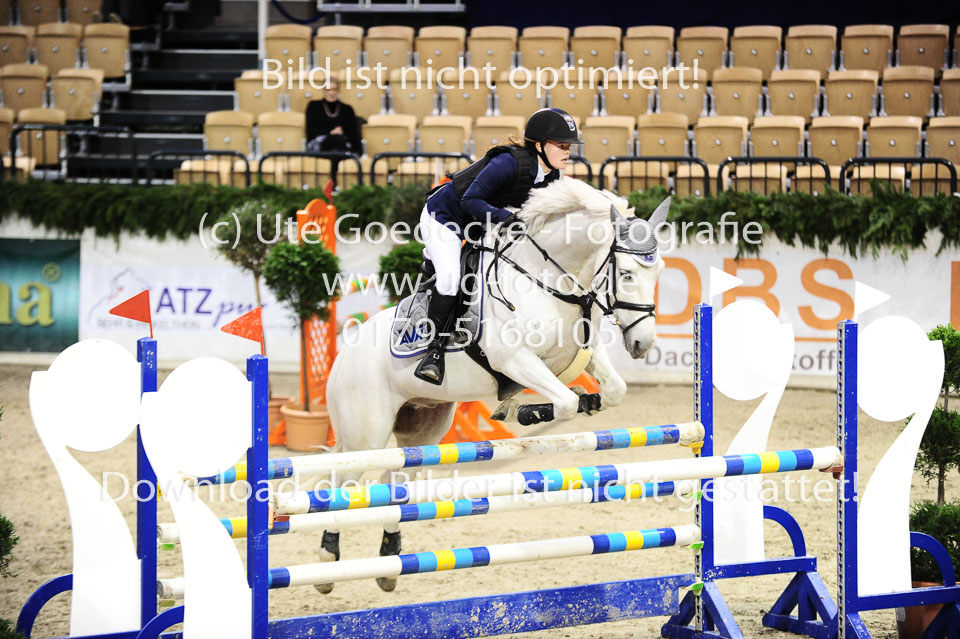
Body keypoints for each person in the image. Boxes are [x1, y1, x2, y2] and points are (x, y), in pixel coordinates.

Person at [413, 107, 581, 385]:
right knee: (451, 279)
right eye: (561, 145)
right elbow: (470, 200)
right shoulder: (508, 162)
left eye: (569, 146)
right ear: (539, 146)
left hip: (482, 223)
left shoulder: (551, 176)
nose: (568, 151)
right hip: (446, 217)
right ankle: (434, 351)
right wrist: (508, 219)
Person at [305, 76, 362, 156]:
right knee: (336, 139)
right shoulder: (313, 106)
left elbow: (352, 133)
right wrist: (331, 132)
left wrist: (341, 132)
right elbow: (311, 130)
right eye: (328, 90)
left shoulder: (347, 109)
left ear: (338, 91)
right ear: (324, 91)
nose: (331, 93)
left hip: (342, 143)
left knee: (338, 140)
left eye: (334, 89)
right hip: (320, 144)